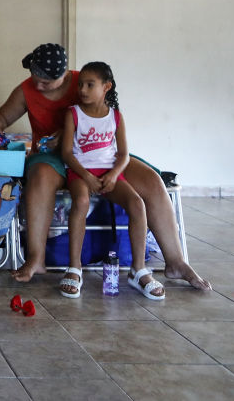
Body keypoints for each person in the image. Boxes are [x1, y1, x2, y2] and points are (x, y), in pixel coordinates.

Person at [0, 43, 210, 291]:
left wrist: (106, 164)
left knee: (152, 180)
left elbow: (106, 121)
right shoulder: (27, 90)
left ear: (66, 75)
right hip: (52, 156)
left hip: (100, 154)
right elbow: (1, 118)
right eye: (35, 78)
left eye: (47, 82)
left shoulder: (87, 82)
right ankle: (36, 259)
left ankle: (175, 262)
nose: (39, 86)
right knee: (38, 178)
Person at [58, 61, 164, 299]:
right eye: (81, 85)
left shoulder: (115, 116)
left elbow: (124, 154)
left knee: (137, 203)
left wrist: (114, 174)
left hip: (108, 172)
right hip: (80, 172)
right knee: (82, 201)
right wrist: (86, 176)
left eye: (90, 85)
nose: (82, 90)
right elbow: (66, 153)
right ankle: (74, 268)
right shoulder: (73, 114)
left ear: (107, 86)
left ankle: (138, 270)